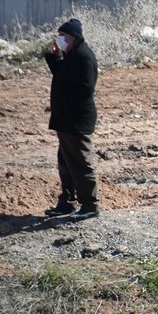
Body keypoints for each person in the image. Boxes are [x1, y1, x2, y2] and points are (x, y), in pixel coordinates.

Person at [44, 18, 100, 219]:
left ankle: (90, 206)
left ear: (74, 38)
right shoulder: (71, 54)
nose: (60, 40)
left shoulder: (83, 56)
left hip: (76, 120)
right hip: (66, 120)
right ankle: (67, 203)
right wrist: (53, 57)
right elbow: (61, 76)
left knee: (80, 164)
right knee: (66, 164)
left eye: (64, 37)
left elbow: (85, 89)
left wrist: (66, 104)